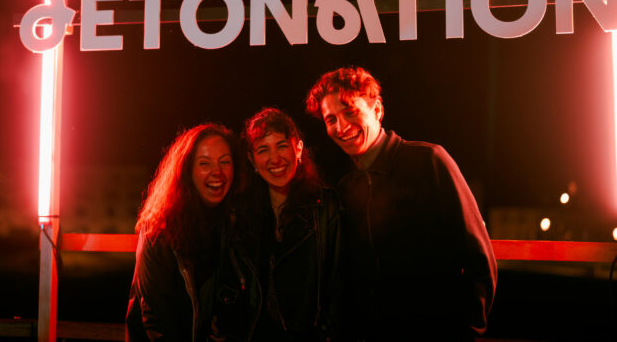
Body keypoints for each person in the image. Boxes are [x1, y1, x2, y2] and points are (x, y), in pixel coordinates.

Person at [305, 67, 497, 341]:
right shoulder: (346, 187)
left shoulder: (429, 161)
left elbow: (479, 257)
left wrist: (469, 332)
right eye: (331, 119)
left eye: (350, 112)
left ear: (377, 110)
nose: (341, 126)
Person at [125, 123, 259, 342]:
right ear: (187, 170)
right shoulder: (159, 228)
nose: (217, 172)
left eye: (225, 162)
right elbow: (155, 321)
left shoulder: (232, 222)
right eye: (204, 163)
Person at [243, 108, 340, 342]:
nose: (275, 159)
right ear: (252, 159)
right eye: (263, 150)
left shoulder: (325, 207)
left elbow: (341, 288)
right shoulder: (242, 214)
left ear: (298, 149)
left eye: (282, 146)